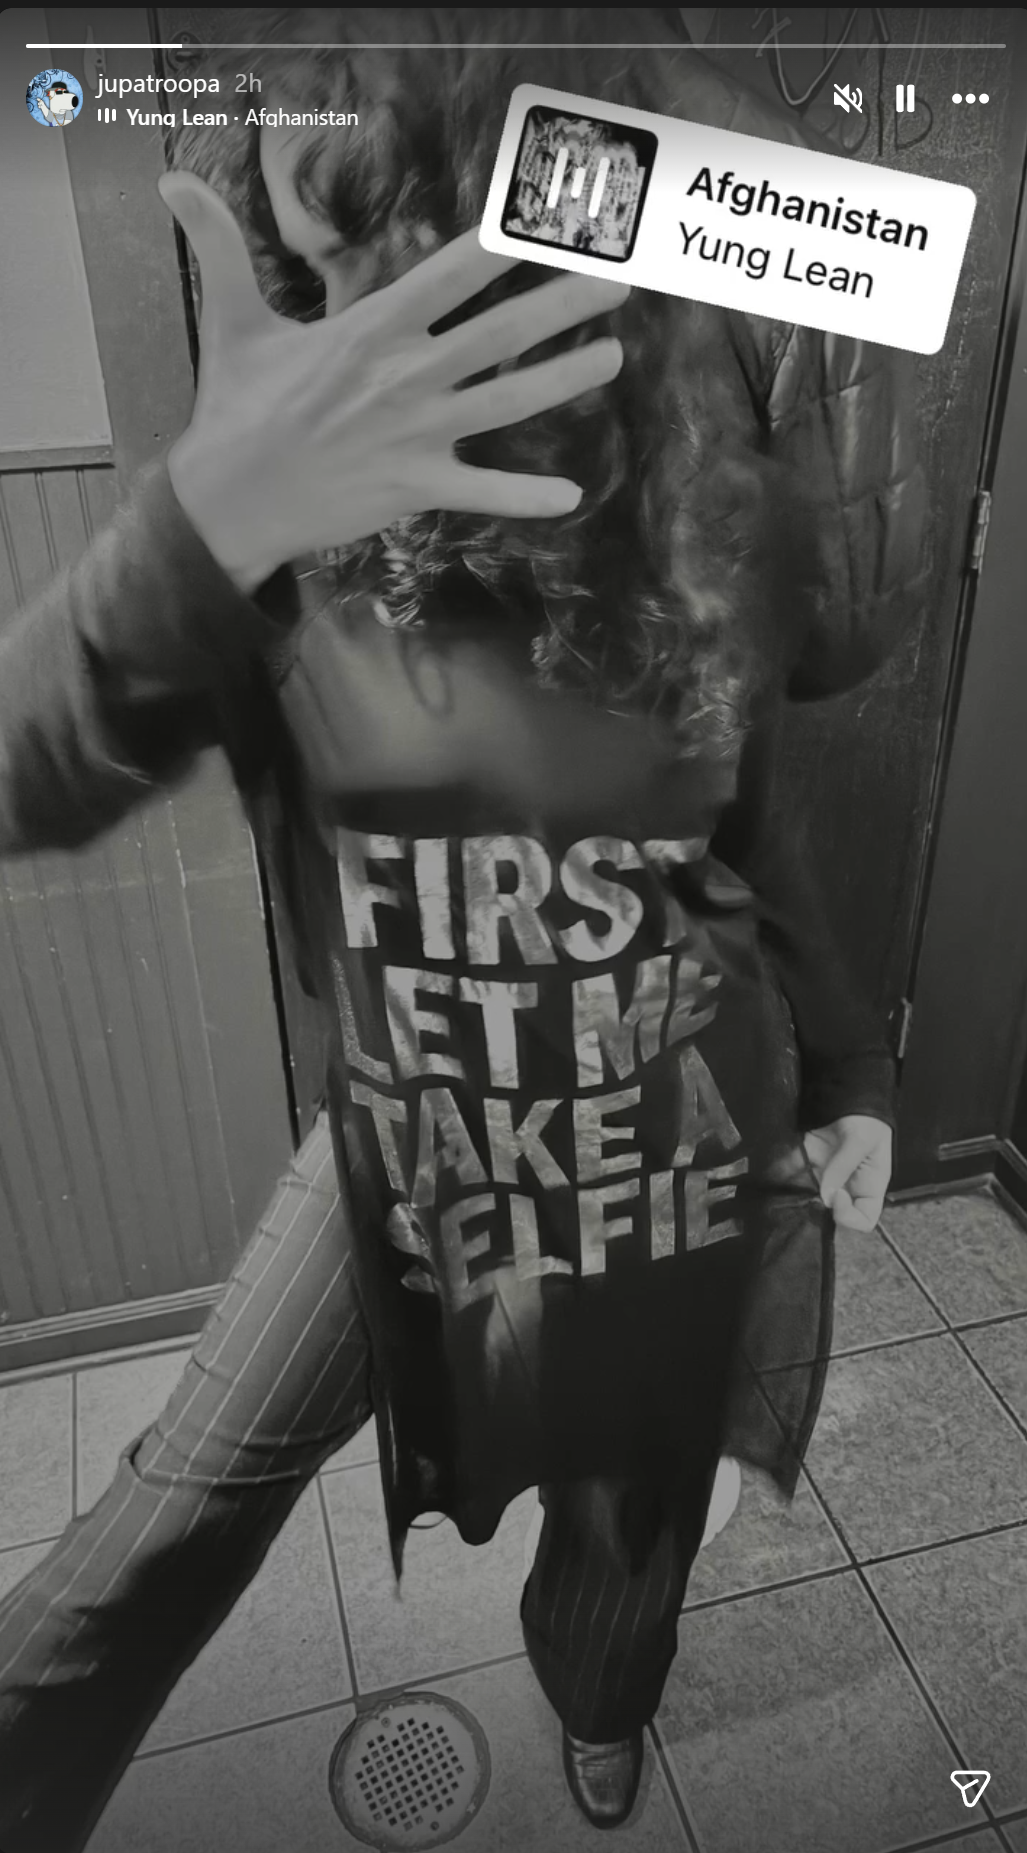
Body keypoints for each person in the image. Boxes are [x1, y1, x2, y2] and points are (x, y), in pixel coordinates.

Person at [0, 10, 924, 1847]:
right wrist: (197, 529)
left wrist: (850, 1069)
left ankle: (600, 1697)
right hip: (415, 1122)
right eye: (337, 248)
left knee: (629, 1520)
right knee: (167, 1518)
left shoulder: (694, 494)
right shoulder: (292, 526)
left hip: (675, 1120)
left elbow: (755, 809)